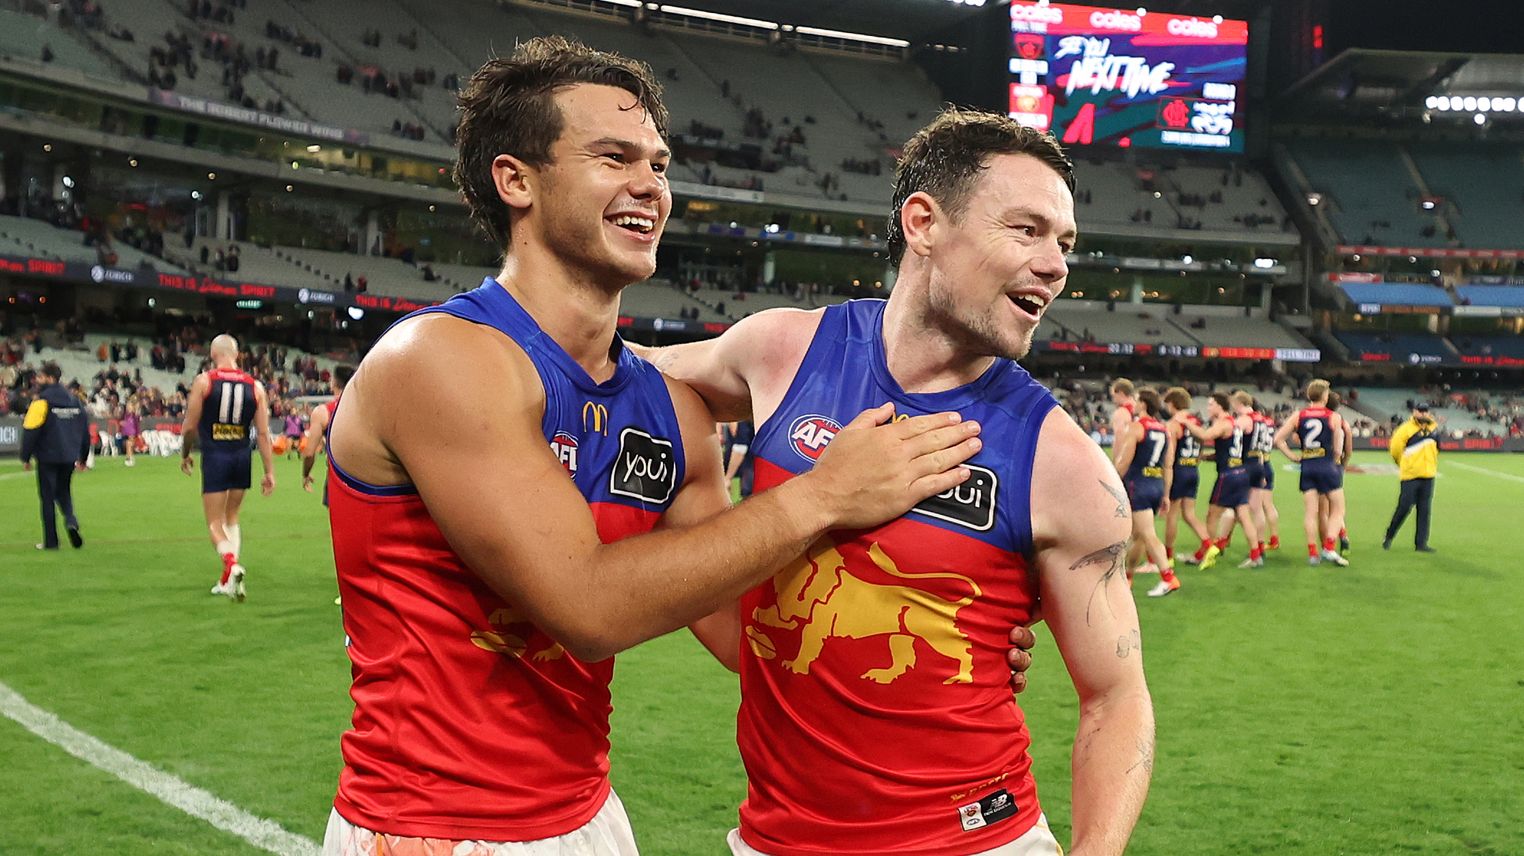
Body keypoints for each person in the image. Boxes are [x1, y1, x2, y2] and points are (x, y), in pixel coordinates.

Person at [318, 38, 986, 856]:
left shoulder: (669, 407)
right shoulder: (440, 360)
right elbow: (587, 608)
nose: (650, 186)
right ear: (515, 180)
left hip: (590, 818)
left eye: (659, 164)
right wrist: (821, 496)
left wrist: (951, 621)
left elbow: (755, 637)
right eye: (613, 157)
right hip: (431, 830)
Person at [649, 108, 1153, 856]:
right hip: (774, 839)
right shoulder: (783, 350)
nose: (1056, 264)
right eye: (1027, 230)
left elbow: (1115, 698)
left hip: (979, 842)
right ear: (924, 223)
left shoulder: (1065, 463)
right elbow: (622, 382)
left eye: (1065, 243)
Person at [179, 334, 276, 601]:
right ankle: (228, 581)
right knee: (232, 516)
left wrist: (185, 453)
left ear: (212, 354)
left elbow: (189, 426)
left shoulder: (205, 381)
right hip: (241, 456)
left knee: (213, 521)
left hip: (215, 455)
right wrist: (269, 471)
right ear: (237, 354)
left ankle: (231, 564)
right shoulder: (255, 386)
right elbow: (264, 434)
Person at [1177, 391, 1263, 569]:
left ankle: (1205, 553)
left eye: (1210, 404)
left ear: (1219, 406)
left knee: (1212, 515)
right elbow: (1228, 450)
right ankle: (1255, 556)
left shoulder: (1224, 423)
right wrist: (1208, 457)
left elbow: (1205, 435)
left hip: (1228, 476)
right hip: (1241, 473)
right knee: (1244, 516)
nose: (1208, 408)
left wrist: (1185, 422)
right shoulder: (1234, 423)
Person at [1272, 379, 1349, 567]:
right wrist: (1337, 457)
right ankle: (1329, 547)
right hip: (1327, 465)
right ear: (1325, 395)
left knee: (1310, 512)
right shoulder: (1333, 416)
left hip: (1307, 466)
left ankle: (1312, 552)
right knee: (1338, 508)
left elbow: (1278, 439)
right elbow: (1338, 445)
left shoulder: (1299, 416)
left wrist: (1293, 457)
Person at [1114, 387, 1182, 598]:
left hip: (1138, 486)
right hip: (1155, 485)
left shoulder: (1136, 427)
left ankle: (1168, 577)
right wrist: (1165, 494)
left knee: (1147, 535)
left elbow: (1124, 461)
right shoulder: (1164, 429)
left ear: (1143, 403)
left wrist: (1111, 481)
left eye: (1136, 400)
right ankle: (1128, 576)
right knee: (1137, 536)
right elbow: (1168, 465)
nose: (1133, 403)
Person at [20, 362, 90, 550]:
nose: (37, 380)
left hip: (47, 457)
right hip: (69, 456)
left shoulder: (41, 401)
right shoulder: (75, 401)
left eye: (41, 377)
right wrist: (83, 457)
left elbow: (30, 430)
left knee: (47, 497)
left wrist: (25, 457)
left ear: (51, 378)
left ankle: (51, 542)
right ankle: (71, 521)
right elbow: (85, 432)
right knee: (64, 493)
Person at [1162, 386, 1212, 568]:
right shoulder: (1195, 422)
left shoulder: (1174, 424)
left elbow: (1170, 454)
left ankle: (1168, 556)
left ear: (1172, 403)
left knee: (1172, 515)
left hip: (1179, 470)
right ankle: (1208, 543)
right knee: (1189, 514)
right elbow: (1200, 447)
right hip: (1192, 469)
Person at [1383, 402, 1439, 552]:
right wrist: (1404, 464)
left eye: (1425, 411)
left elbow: (1437, 447)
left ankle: (1421, 544)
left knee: (1424, 510)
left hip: (1428, 475)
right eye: (1420, 411)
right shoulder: (1405, 429)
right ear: (1414, 412)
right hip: (1410, 475)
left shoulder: (1433, 428)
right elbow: (1395, 450)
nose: (1423, 414)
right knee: (1404, 507)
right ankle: (1389, 535)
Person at [301, 365, 353, 502]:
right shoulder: (367, 409)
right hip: (367, 478)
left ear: (333, 382)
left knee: (338, 522)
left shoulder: (323, 412)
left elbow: (309, 453)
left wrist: (305, 474)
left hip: (338, 477)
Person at [1324, 391, 1354, 553]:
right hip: (1336, 466)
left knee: (1324, 510)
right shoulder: (1343, 423)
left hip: (1320, 463)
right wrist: (1343, 465)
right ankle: (1342, 536)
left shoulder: (1320, 419)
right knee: (1336, 507)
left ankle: (1327, 544)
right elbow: (1348, 451)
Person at [120, 394, 141, 467]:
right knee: (130, 441)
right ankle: (129, 457)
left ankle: (129, 456)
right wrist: (136, 408)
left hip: (133, 423)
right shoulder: (130, 405)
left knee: (132, 441)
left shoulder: (133, 405)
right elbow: (131, 413)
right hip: (130, 424)